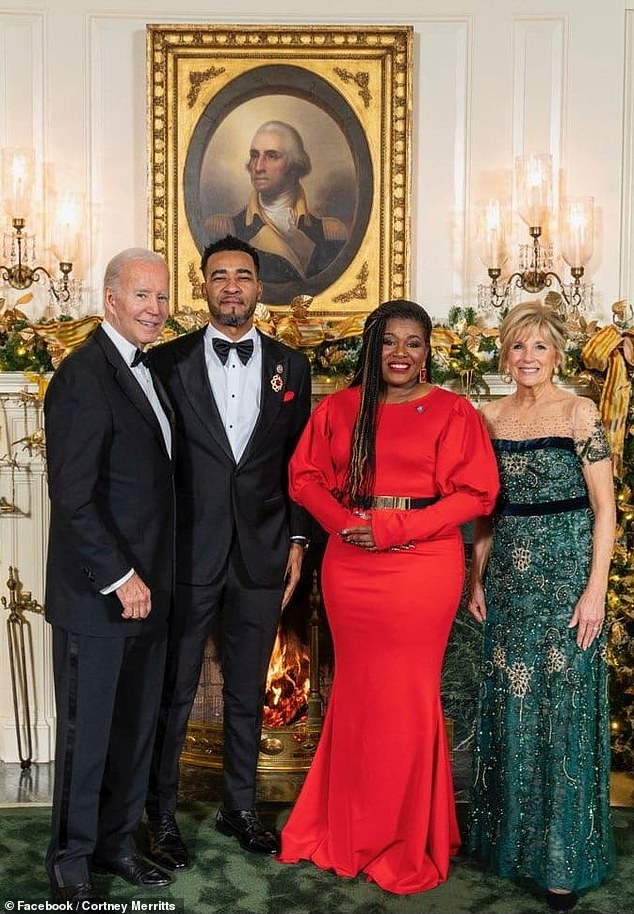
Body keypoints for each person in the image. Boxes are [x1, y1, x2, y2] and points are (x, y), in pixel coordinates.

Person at [277, 299, 500, 895]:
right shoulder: (340, 408)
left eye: (414, 343)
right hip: (352, 565)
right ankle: (346, 824)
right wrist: (343, 523)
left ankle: (408, 834)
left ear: (429, 352)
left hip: (422, 564)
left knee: (407, 697)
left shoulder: (454, 412)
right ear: (371, 349)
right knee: (356, 693)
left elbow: (477, 494)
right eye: (389, 342)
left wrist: (392, 529)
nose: (400, 353)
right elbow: (304, 477)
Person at [146, 234, 312, 866]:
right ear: (204, 286)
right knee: (176, 687)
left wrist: (297, 537)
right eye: (220, 277)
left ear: (258, 287)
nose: (232, 287)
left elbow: (299, 463)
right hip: (187, 554)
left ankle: (238, 806)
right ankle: (161, 815)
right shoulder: (167, 363)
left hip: (263, 553)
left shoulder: (291, 368)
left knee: (247, 688)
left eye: (243, 276)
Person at [466, 301, 616, 911]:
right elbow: (486, 510)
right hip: (508, 580)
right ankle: (513, 845)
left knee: (565, 707)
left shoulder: (581, 412)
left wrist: (595, 590)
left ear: (557, 354)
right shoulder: (488, 417)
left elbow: (605, 508)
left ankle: (562, 859)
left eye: (540, 348)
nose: (528, 358)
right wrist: (477, 578)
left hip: (568, 576)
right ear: (506, 353)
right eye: (518, 347)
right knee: (511, 703)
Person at [44, 248, 175, 902]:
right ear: (111, 300)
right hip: (101, 596)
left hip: (152, 595)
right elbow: (72, 495)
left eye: (161, 296)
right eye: (142, 296)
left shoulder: (153, 372)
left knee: (133, 732)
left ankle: (117, 845)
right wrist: (121, 575)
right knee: (87, 736)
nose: (155, 309)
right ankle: (69, 862)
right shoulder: (82, 376)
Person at [206, 120, 348, 291]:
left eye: (271, 156)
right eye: (254, 155)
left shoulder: (329, 233)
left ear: (295, 165)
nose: (258, 167)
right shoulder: (225, 229)